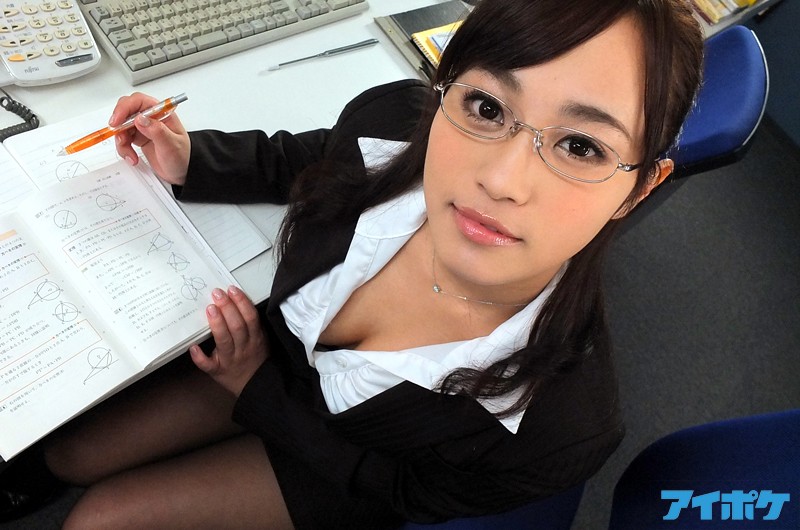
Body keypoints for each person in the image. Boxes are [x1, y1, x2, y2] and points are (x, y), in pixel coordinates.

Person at [2, 0, 704, 527]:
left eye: (582, 146)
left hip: (341, 460)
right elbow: (309, 157)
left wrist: (257, 392)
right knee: (71, 454)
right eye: (487, 106)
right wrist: (195, 160)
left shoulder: (561, 427)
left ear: (640, 188)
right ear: (443, 93)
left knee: (103, 517)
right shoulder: (392, 125)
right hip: (269, 360)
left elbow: (403, 492)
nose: (501, 180)